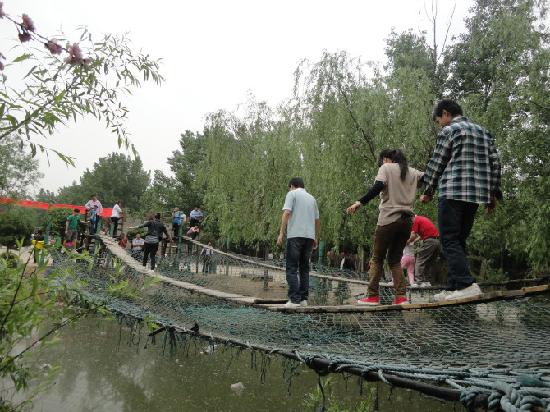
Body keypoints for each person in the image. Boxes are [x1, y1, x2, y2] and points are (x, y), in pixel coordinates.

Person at [421, 99, 502, 301]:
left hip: (452, 191)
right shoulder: (484, 132)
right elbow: (495, 164)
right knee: (458, 241)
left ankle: (466, 284)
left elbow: (437, 161)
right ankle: (454, 287)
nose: (440, 123)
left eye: (439, 119)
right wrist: (493, 195)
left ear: (446, 113)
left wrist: (428, 189)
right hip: (475, 195)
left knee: (448, 239)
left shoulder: (450, 131)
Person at [347, 149, 424, 306]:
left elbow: (378, 187)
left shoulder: (386, 168)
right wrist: (428, 193)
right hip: (407, 221)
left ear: (387, 159)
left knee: (377, 258)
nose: (381, 164)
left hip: (388, 219)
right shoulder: (413, 171)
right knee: (395, 260)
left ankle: (373, 296)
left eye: (382, 160)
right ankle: (401, 297)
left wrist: (359, 202)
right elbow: (430, 178)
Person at [277, 177, 320, 308]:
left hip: (295, 235)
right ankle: (303, 299)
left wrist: (281, 233)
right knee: (304, 268)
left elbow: (286, 213)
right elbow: (317, 220)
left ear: (292, 186)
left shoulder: (292, 194)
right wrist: (316, 237)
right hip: (309, 237)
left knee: (291, 268)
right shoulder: (312, 198)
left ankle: (294, 299)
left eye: (289, 187)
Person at [406, 215, 440, 287]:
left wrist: (407, 242)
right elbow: (421, 236)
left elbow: (413, 235)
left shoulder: (415, 220)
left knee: (420, 259)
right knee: (429, 261)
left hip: (429, 241)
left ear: (411, 218)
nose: (410, 223)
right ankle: (427, 281)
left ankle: (419, 281)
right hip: (437, 241)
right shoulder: (422, 219)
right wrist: (414, 241)